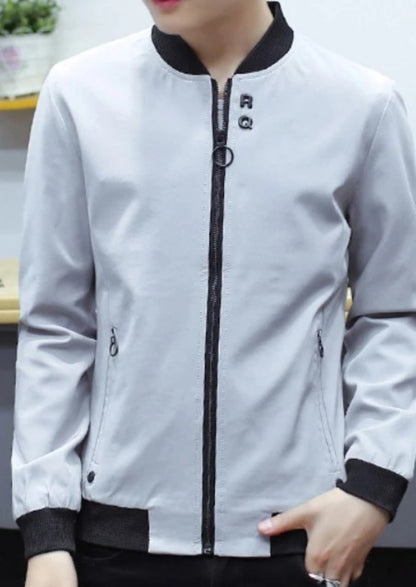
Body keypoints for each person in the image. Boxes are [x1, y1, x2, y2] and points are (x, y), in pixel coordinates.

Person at [11, 1, 416, 586]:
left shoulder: (361, 105)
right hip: (115, 537)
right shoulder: (80, 94)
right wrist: (45, 532)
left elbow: (395, 312)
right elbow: (56, 325)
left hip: (300, 533)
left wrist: (372, 487)